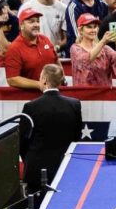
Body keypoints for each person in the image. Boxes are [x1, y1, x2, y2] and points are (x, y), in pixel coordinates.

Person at [19, 64, 82, 193]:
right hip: (66, 169)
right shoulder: (74, 104)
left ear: (44, 80)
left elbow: (22, 141)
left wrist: (29, 160)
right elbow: (77, 137)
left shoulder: (31, 107)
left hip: (36, 170)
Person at [4, 8, 57, 90]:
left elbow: (56, 60)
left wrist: (61, 78)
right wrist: (40, 85)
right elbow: (12, 79)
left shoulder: (45, 40)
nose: (36, 24)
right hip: (29, 97)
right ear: (21, 25)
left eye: (37, 21)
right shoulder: (14, 48)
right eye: (31, 22)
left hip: (52, 93)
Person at [69, 13, 116, 87]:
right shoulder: (75, 49)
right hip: (84, 95)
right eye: (89, 27)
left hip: (104, 94)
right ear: (80, 30)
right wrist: (103, 41)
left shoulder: (105, 49)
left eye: (95, 27)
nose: (93, 30)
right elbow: (87, 60)